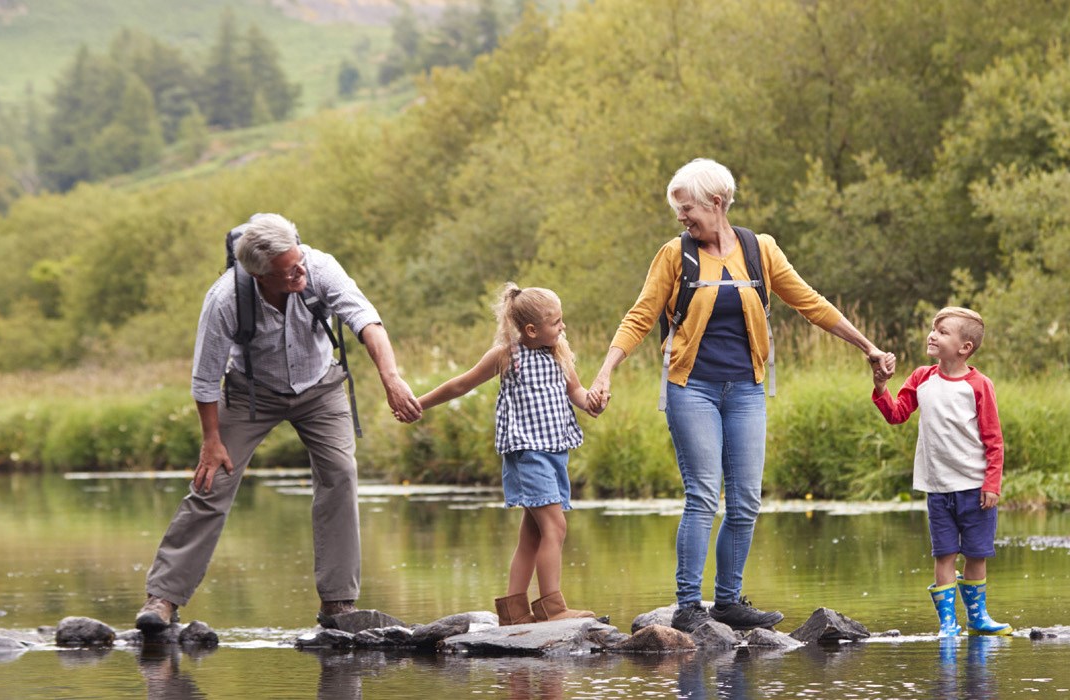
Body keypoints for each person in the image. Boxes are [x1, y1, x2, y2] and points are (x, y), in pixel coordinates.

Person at [589, 158, 896, 632]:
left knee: (747, 498)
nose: (681, 218)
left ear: (717, 202)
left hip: (747, 390)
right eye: (678, 210)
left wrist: (868, 347)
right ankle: (689, 606)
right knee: (703, 494)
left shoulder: (760, 249)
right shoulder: (675, 254)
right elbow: (641, 315)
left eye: (687, 208)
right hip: (691, 388)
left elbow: (810, 302)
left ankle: (728, 601)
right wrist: (607, 369)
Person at [136, 213, 423, 634]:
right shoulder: (224, 300)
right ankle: (162, 599)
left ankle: (338, 603)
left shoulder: (319, 266)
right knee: (211, 483)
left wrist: (391, 378)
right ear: (259, 275)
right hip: (251, 394)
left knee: (340, 476)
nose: (300, 270)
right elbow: (204, 377)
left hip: (320, 387)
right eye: (290, 270)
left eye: (299, 261)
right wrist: (211, 440)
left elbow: (368, 322)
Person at [417, 284, 602, 625]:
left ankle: (514, 611)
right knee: (555, 527)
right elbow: (461, 384)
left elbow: (574, 389)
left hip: (554, 451)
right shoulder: (507, 356)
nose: (563, 328)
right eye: (556, 322)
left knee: (533, 534)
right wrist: (420, 403)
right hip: (526, 453)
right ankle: (552, 606)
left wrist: (590, 400)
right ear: (531, 330)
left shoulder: (558, 351)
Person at [871, 306, 1012, 637]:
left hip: (975, 488)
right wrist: (880, 388)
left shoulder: (979, 385)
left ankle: (978, 618)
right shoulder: (922, 377)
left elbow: (994, 440)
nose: (932, 334)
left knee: (976, 554)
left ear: (965, 347)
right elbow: (896, 414)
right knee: (944, 553)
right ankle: (948, 624)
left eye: (943, 331)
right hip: (937, 488)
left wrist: (992, 484)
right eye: (933, 329)